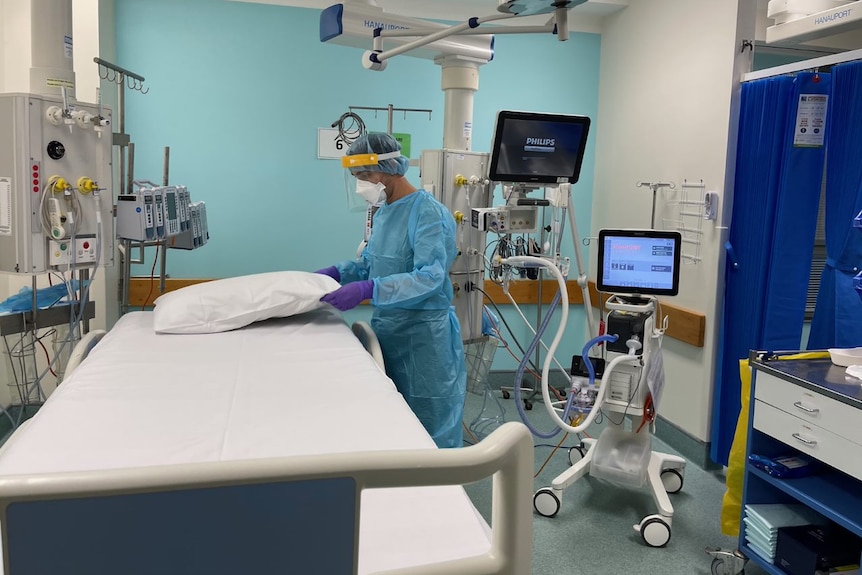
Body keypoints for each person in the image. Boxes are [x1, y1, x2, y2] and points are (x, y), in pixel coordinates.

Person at [316, 132, 466, 448]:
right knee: (393, 418)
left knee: (430, 421)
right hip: (390, 329)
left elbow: (430, 277)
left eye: (365, 175)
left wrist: (369, 289)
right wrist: (337, 274)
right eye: (355, 176)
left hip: (425, 337)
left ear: (391, 167)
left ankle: (439, 491)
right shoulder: (384, 213)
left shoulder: (427, 212)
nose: (361, 184)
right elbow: (373, 262)